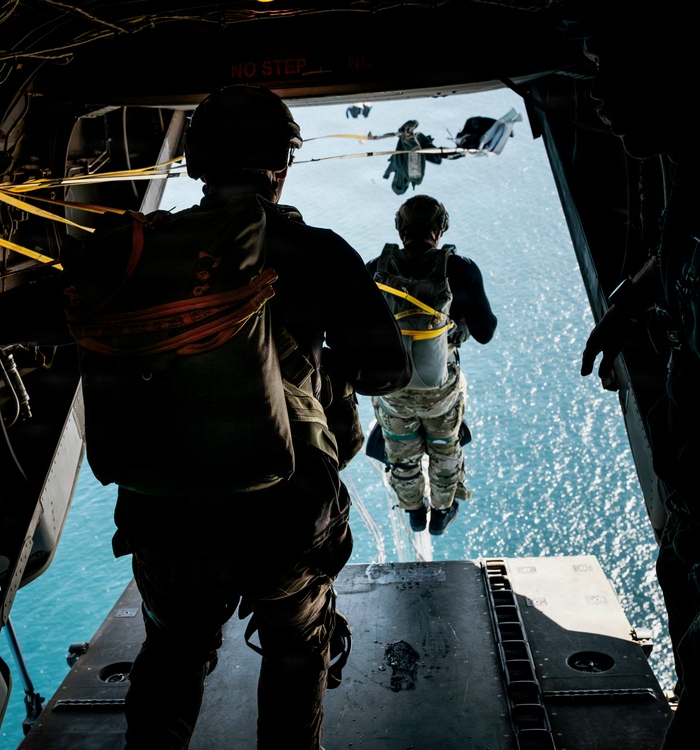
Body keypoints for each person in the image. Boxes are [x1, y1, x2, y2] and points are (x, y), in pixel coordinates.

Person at [102, 84, 412, 749]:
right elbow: (390, 369)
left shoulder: (141, 252)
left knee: (172, 659)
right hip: (286, 516)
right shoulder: (317, 251)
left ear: (194, 165)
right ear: (281, 166)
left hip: (168, 517)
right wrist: (324, 365)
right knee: (298, 651)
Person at [577, 15, 700, 749]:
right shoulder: (698, 166)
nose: (596, 92)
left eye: (613, 69)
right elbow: (685, 246)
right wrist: (636, 296)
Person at [367, 195, 496, 536]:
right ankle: (441, 511)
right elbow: (485, 332)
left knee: (401, 453)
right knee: (444, 449)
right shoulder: (462, 270)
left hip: (393, 387)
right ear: (441, 229)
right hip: (440, 389)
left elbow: (353, 330)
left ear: (400, 229)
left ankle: (413, 510)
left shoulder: (375, 269)